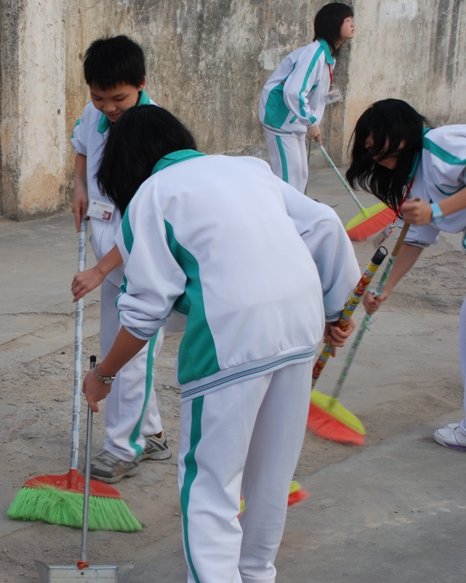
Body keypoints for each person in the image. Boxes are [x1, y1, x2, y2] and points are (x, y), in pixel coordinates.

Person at [83, 106, 359, 583]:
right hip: (300, 325)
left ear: (124, 164)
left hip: (229, 339)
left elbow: (145, 311)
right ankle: (256, 574)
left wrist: (103, 373)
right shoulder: (250, 168)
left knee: (211, 485)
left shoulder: (153, 194)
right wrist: (338, 309)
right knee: (270, 477)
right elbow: (325, 224)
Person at [70, 35, 171, 483]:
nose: (108, 107)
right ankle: (150, 434)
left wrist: (99, 270)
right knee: (123, 350)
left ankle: (122, 448)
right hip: (110, 257)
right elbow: (81, 144)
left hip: (144, 263)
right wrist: (80, 187)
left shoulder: (153, 132)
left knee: (128, 357)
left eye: (119, 99)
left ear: (141, 84)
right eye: (99, 97)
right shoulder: (94, 112)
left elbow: (146, 225)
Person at [349, 99, 466, 451]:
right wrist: (385, 289)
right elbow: (414, 238)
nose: (373, 155)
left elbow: (430, 217)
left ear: (400, 131)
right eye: (368, 148)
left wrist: (436, 211)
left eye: (376, 144)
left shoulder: (442, 144)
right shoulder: (414, 182)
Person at [258, 2, 355, 192]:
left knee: (300, 174)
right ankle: (283, 211)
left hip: (295, 121)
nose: (353, 24)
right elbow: (293, 91)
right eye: (347, 20)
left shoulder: (328, 56)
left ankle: (296, 209)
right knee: (289, 178)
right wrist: (310, 122)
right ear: (334, 24)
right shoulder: (315, 55)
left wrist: (310, 121)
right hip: (280, 119)